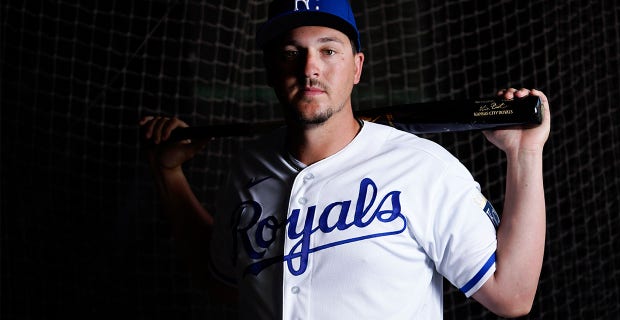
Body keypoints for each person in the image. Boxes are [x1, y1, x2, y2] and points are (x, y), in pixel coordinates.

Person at [139, 0, 550, 318]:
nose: (309, 69)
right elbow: (225, 281)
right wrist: (168, 173)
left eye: (329, 50)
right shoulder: (249, 167)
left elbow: (511, 296)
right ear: (269, 69)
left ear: (357, 67)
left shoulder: (424, 167)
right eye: (290, 53)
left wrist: (525, 153)